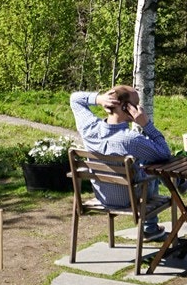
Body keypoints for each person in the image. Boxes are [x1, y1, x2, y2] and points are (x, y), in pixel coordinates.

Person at [70, 86, 172, 240]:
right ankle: (150, 228)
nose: (139, 108)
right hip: (130, 199)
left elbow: (75, 99)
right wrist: (146, 124)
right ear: (126, 107)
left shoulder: (89, 128)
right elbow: (165, 153)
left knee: (141, 159)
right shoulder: (131, 140)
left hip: (102, 196)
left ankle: (152, 225)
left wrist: (98, 99)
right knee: (149, 162)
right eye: (136, 105)